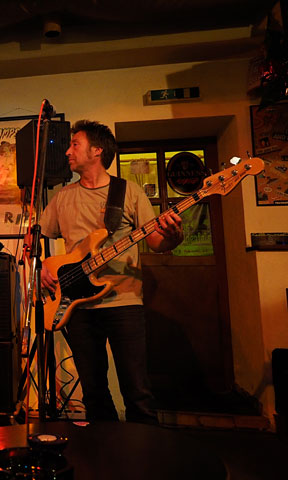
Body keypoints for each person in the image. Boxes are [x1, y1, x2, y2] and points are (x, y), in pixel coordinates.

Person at [40, 120, 184, 424]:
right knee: (93, 393)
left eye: (75, 144)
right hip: (77, 305)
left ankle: (145, 449)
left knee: (137, 391)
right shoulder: (63, 197)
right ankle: (104, 448)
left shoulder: (128, 192)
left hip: (124, 303)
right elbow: (43, 237)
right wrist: (42, 267)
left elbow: (156, 242)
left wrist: (174, 236)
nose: (67, 152)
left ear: (96, 151)